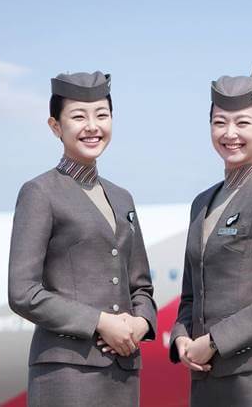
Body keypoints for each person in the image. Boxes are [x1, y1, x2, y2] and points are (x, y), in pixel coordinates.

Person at [8, 71, 157, 407]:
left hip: (123, 371)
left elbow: (141, 287)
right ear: (55, 127)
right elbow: (23, 292)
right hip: (66, 373)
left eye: (101, 115)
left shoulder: (123, 198)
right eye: (79, 116)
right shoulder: (40, 193)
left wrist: (140, 322)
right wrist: (100, 322)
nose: (92, 126)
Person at [169, 66, 252, 406]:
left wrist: (212, 342)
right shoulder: (202, 203)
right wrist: (183, 339)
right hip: (207, 378)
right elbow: (190, 296)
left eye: (243, 123)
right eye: (219, 122)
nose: (230, 133)